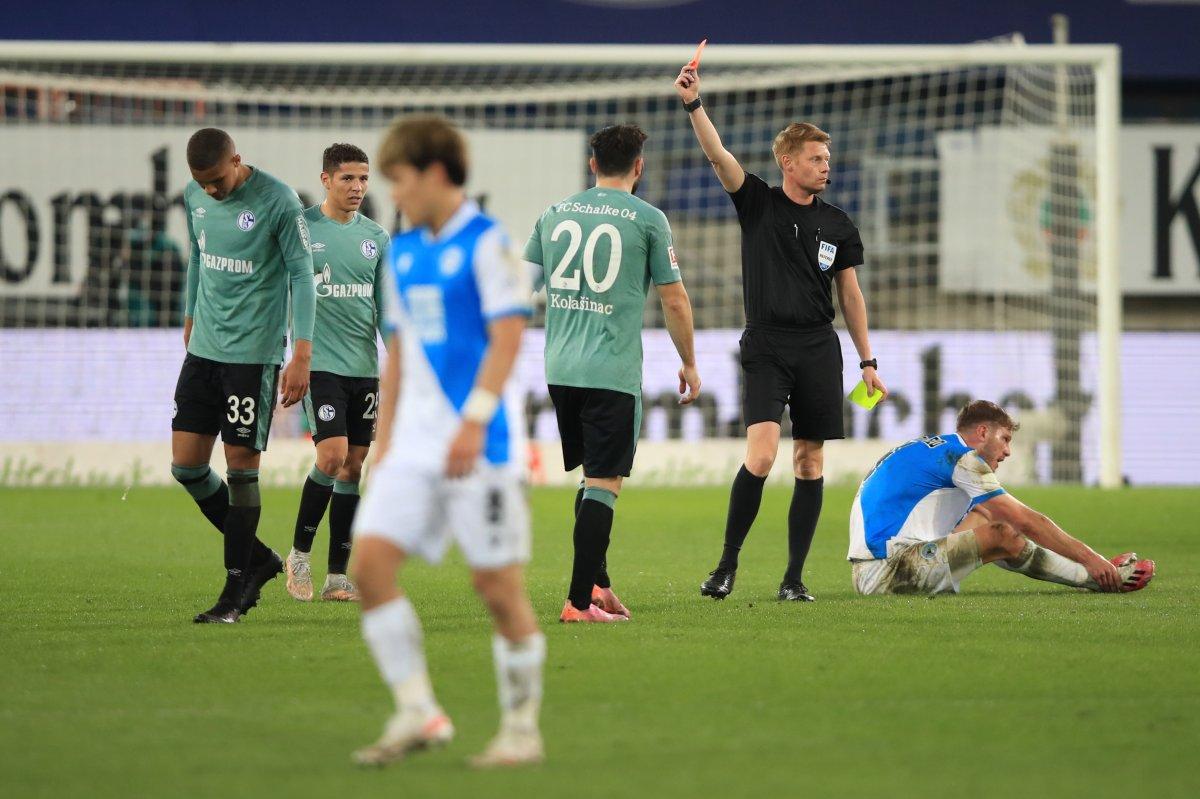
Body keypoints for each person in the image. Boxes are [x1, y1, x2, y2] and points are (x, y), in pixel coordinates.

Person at [350, 115, 544, 768]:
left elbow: (508, 337)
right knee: (368, 567)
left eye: (398, 181)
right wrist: (383, 440)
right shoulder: (402, 252)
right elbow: (399, 352)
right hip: (414, 447)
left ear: (434, 174)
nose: (392, 195)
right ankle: (417, 709)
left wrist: (474, 418)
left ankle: (521, 728)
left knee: (496, 587)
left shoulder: (490, 244)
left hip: (480, 445)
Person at [675, 62, 888, 603]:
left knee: (810, 460)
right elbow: (718, 157)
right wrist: (694, 104)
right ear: (787, 162)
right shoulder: (758, 203)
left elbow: (851, 296)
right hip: (767, 343)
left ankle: (793, 579)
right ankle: (726, 566)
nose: (825, 168)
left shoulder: (838, 223)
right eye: (816, 159)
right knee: (763, 456)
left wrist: (869, 361)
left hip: (820, 346)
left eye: (828, 160)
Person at [524, 123, 701, 623]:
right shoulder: (648, 219)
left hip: (560, 368)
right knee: (604, 482)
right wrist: (688, 361)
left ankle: (598, 587)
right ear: (639, 167)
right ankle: (578, 604)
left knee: (591, 479)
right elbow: (673, 297)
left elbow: (519, 287)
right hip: (611, 370)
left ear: (592, 163)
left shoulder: (555, 214)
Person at [170, 127, 315, 624]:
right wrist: (189, 314)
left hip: (252, 357)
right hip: (205, 352)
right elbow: (197, 254)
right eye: (201, 183)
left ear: (237, 160)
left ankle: (235, 591)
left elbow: (302, 275)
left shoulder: (279, 201)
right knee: (186, 466)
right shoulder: (194, 195)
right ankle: (258, 559)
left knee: (240, 470)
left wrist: (301, 353)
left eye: (216, 180)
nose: (209, 190)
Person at [848, 400, 1156, 596]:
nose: (1008, 451)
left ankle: (1094, 572)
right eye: (1005, 439)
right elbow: (1024, 521)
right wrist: (1091, 560)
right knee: (1003, 530)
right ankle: (1098, 579)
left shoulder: (935, 450)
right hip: (886, 570)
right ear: (983, 432)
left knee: (990, 518)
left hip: (880, 565)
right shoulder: (961, 457)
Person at [284, 143, 390, 604]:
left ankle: (336, 577)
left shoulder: (377, 238)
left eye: (363, 179)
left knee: (353, 466)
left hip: (363, 368)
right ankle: (299, 555)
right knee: (331, 456)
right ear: (326, 179)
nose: (357, 187)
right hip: (320, 364)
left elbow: (385, 309)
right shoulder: (302, 230)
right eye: (348, 178)